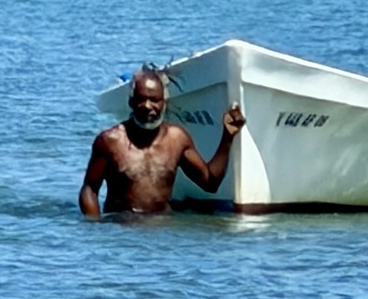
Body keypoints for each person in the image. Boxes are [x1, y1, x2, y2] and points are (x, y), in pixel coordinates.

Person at [79, 68, 246, 219]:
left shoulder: (177, 139)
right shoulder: (109, 141)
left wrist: (227, 136)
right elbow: (90, 189)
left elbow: (210, 183)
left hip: (162, 233)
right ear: (131, 102)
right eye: (141, 100)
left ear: (164, 103)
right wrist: (95, 227)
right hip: (122, 230)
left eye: (154, 100)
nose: (147, 106)